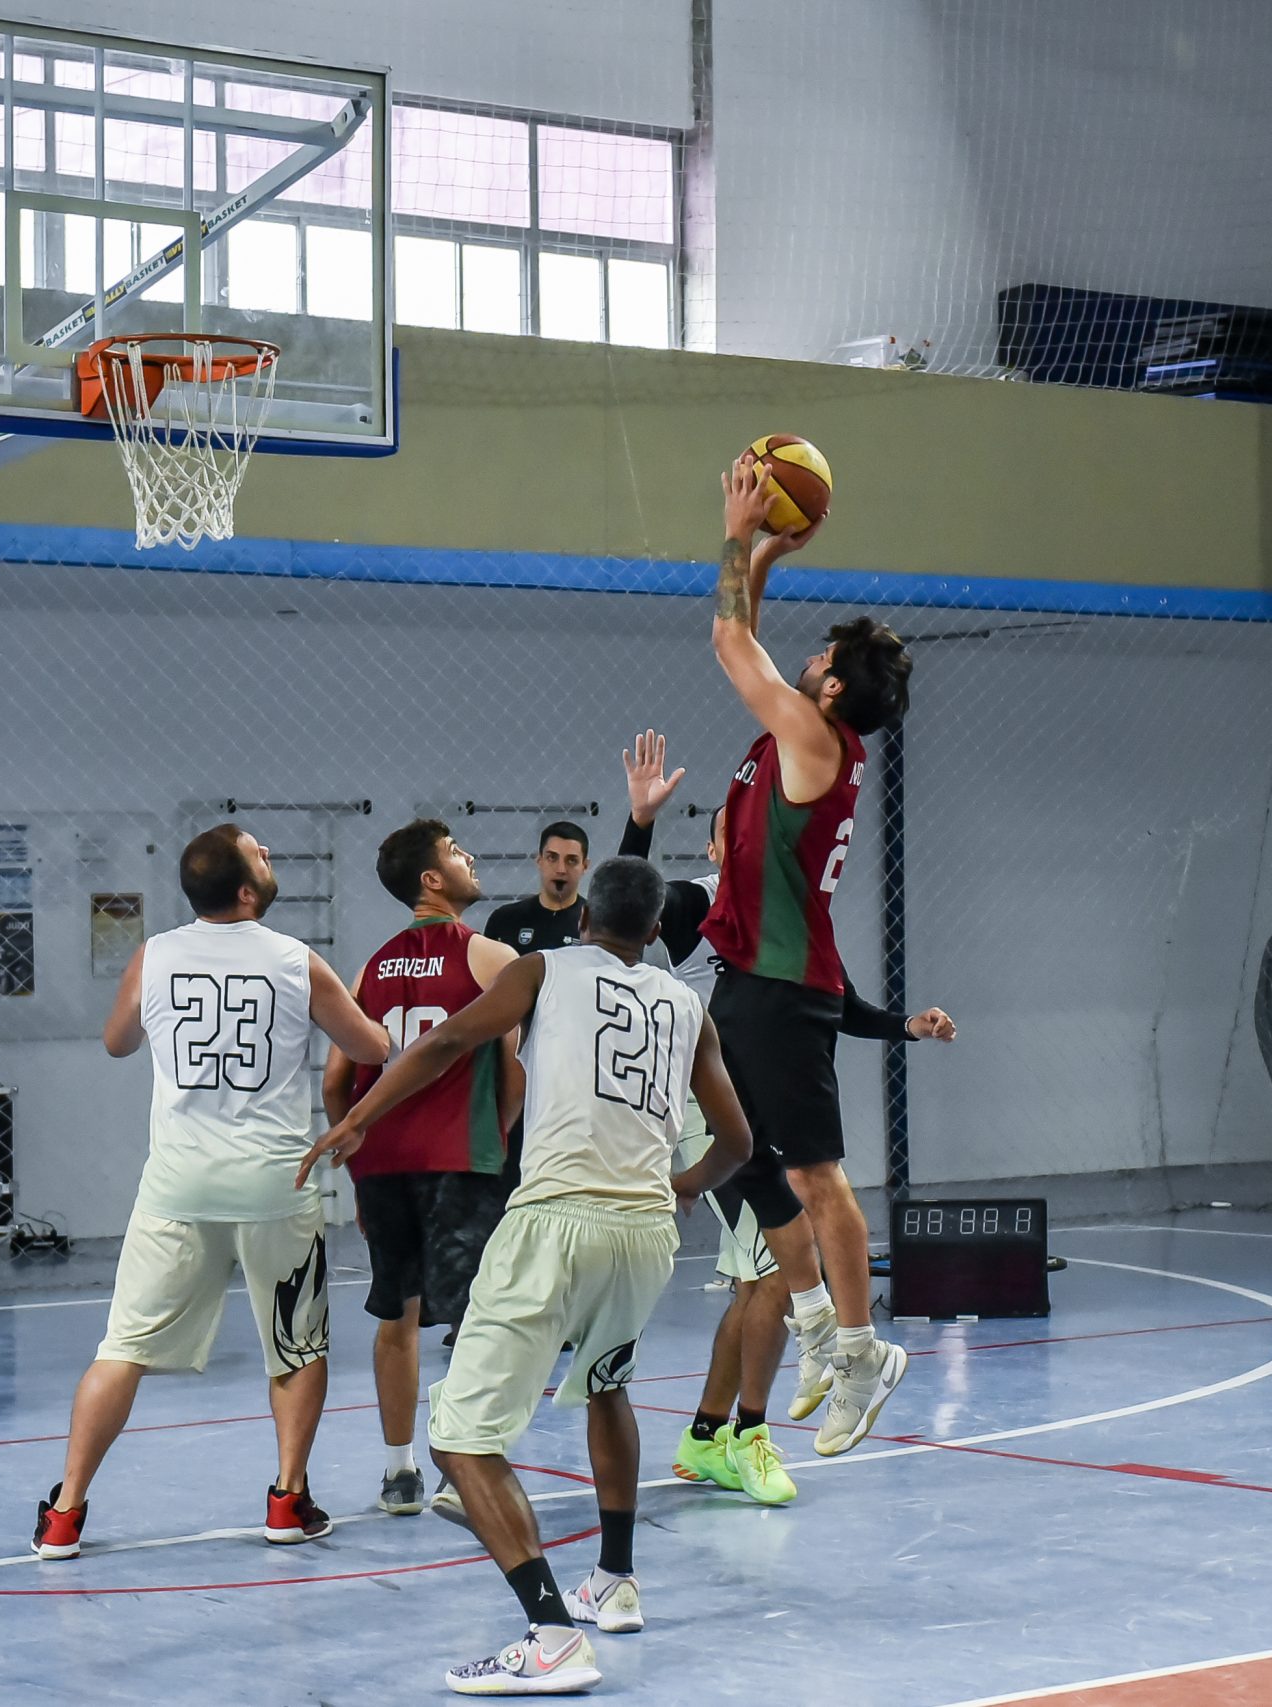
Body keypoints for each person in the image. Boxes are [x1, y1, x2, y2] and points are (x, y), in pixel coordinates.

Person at [297, 857, 755, 1696]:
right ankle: (614, 1581)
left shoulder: (542, 968)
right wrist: (685, 1186)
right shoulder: (689, 1005)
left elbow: (444, 1042)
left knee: (462, 1437)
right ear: (654, 931)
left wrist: (359, 1116)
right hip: (646, 1232)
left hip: (555, 1223)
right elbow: (738, 1143)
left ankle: (550, 1632)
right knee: (607, 1387)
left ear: (584, 918)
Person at [32, 824, 394, 1562]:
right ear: (244, 888)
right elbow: (373, 1048)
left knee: (122, 1347)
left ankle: (65, 1512)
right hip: (275, 1183)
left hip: (178, 1185)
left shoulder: (155, 953)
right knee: (296, 1345)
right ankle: (288, 1499)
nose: (272, 855)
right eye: (262, 852)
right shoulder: (297, 962)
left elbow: (116, 1042)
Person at [614, 731, 951, 1504]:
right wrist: (639, 820)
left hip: (757, 1094)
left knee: (758, 1278)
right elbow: (623, 901)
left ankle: (729, 1423)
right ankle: (763, 1414)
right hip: (715, 1105)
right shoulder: (699, 900)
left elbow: (837, 1001)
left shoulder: (790, 919)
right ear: (719, 843)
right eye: (737, 825)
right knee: (766, 1273)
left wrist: (906, 1027)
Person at [704, 453, 924, 1457]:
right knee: (737, 1156)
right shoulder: (810, 740)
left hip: (787, 992)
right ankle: (808, 1322)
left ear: (830, 686)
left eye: (820, 657)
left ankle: (861, 1345)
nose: (802, 661)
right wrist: (769, 554)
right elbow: (746, 635)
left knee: (817, 1177)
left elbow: (727, 638)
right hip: (754, 979)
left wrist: (737, 532)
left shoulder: (810, 733)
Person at [323, 819, 525, 1518]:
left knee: (395, 1312)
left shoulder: (369, 966)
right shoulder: (488, 955)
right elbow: (514, 1067)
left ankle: (397, 1471)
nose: (470, 858)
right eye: (456, 852)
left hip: (381, 1163)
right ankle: (457, 1465)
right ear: (432, 879)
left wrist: (358, 1153)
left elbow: (334, 1079)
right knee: (473, 1314)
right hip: (456, 1159)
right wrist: (495, 1139)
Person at [482, 820, 592, 952]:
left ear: (585, 866)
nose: (561, 869)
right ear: (539, 861)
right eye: (552, 858)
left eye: (571, 860)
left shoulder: (597, 926)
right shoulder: (504, 920)